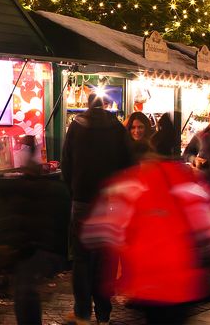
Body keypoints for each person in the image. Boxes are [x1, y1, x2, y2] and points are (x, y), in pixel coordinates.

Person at [83, 130, 210, 324]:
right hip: (182, 282)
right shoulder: (187, 181)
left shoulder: (131, 184)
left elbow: (96, 231)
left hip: (146, 282)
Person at [61, 94, 132, 325]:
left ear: (87, 106)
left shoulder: (76, 128)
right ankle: (103, 312)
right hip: (110, 203)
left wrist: (74, 190)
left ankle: (82, 311)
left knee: (81, 259)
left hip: (82, 201)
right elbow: (128, 165)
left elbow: (66, 163)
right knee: (106, 258)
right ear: (105, 107)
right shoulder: (117, 129)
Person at [0, 137, 69, 325]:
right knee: (26, 292)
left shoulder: (27, 187)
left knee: (25, 292)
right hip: (34, 249)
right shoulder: (49, 188)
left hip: (30, 249)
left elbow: (18, 220)